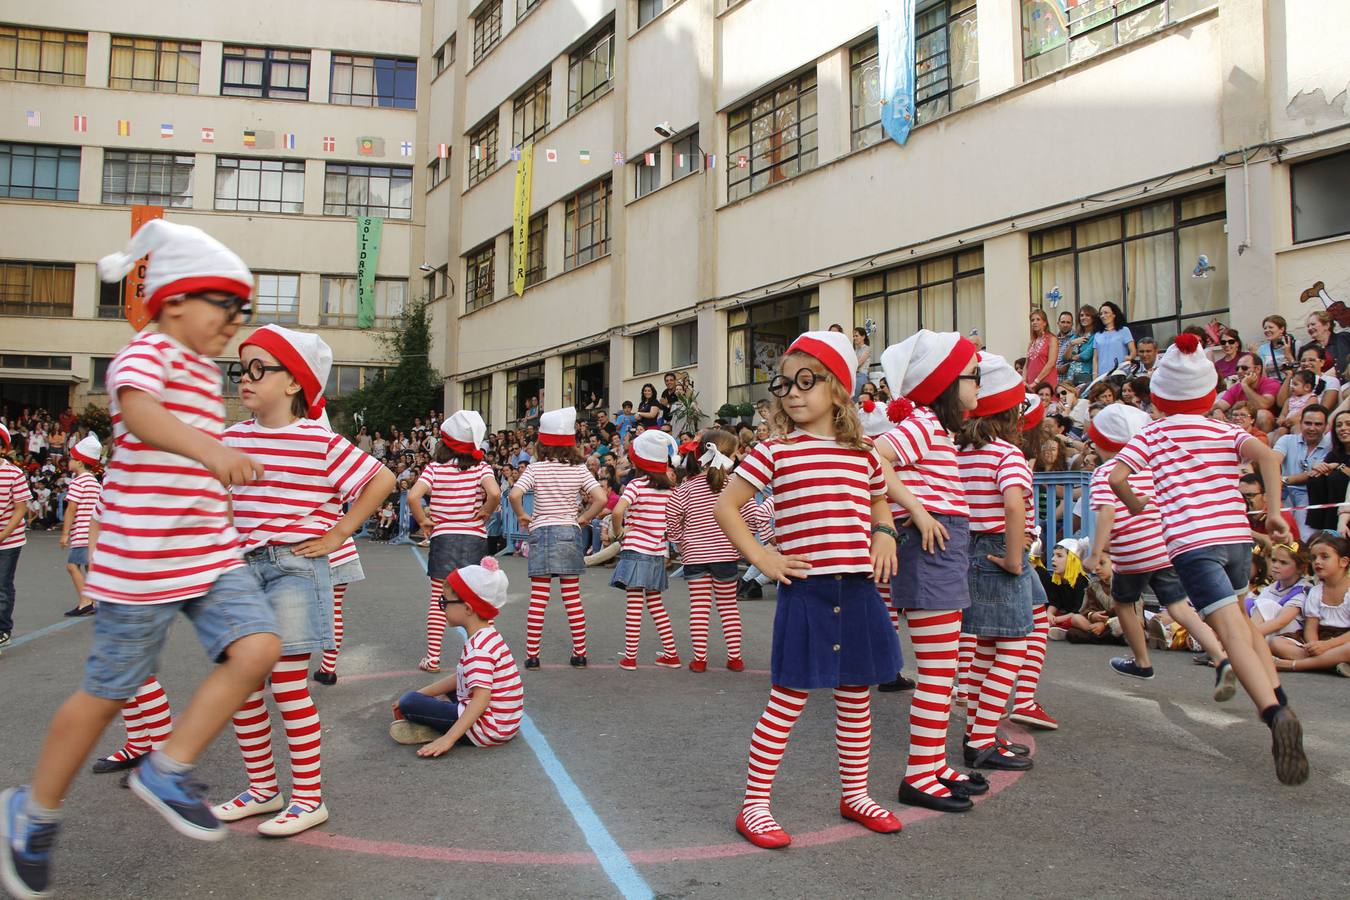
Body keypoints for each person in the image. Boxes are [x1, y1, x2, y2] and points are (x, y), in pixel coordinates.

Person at [1, 221, 285, 899]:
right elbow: (143, 415)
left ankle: (169, 766)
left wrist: (232, 475)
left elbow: (196, 461)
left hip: (211, 556)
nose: (235, 323)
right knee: (107, 696)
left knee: (259, 648)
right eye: (227, 306)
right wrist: (214, 452)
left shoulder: (201, 371)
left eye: (243, 310)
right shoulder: (146, 353)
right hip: (140, 561)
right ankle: (31, 815)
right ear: (176, 300)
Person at [714, 330, 903, 849]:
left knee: (856, 696)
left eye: (807, 381)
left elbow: (879, 501)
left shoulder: (863, 455)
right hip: (807, 591)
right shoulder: (774, 451)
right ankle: (754, 805)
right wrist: (761, 556)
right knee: (789, 699)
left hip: (859, 588)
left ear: (839, 389)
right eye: (785, 384)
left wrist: (884, 532)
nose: (793, 393)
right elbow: (727, 506)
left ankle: (856, 794)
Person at [213, 325, 393, 837]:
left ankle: (309, 797)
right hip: (241, 569)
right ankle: (263, 788)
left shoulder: (320, 439)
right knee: (243, 686)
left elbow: (380, 479)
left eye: (257, 369)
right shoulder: (232, 436)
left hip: (295, 566)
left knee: (287, 684)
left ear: (294, 383)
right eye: (239, 369)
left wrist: (339, 533)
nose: (243, 380)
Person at [1109, 332, 1309, 785]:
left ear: (1158, 394)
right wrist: (1274, 512)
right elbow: (1271, 458)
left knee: (1230, 631)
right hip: (1236, 538)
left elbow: (1120, 476)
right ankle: (1277, 691)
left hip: (1192, 545)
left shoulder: (1153, 434)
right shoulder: (1224, 429)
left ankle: (1274, 712)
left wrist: (1138, 505)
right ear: (1206, 392)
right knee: (1243, 618)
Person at [876, 329, 984, 812]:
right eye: (972, 376)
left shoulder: (931, 426)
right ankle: (921, 773)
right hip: (930, 541)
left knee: (944, 665)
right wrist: (918, 512)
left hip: (940, 541)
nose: (978, 386)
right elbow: (875, 457)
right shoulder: (923, 422)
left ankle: (933, 763)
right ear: (945, 383)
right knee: (939, 669)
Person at [1082, 404, 1231, 690]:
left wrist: (1097, 552)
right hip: (1163, 547)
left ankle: (1142, 662)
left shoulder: (1105, 473)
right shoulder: (1151, 468)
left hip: (1131, 553)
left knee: (1124, 603)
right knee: (1178, 606)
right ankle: (1220, 656)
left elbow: (1107, 512)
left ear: (1102, 443)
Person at [955, 354, 1038, 772]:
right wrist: (1013, 558)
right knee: (1013, 647)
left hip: (964, 550)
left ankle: (977, 729)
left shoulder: (959, 452)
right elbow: (1012, 504)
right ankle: (983, 738)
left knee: (985, 646)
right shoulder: (1006, 455)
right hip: (996, 550)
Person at [389, 557, 525, 750]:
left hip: (487, 730)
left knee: (410, 702)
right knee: (422, 696)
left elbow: (481, 699)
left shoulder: (479, 650)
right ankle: (441, 722)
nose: (442, 607)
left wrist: (448, 739)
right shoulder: (487, 636)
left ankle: (446, 731)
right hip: (504, 724)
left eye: (445, 602)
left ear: (468, 608)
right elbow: (461, 677)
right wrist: (422, 693)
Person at [508, 408, 607, 670]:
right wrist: (584, 518)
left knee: (539, 598)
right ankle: (580, 653)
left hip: (541, 530)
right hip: (568, 530)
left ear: (542, 442)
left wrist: (522, 516)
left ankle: (532, 655)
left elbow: (515, 495)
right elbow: (601, 498)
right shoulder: (578, 469)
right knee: (571, 596)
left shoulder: (536, 468)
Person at [408, 411, 500, 673]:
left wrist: (424, 521)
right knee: (477, 598)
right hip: (473, 538)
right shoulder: (481, 467)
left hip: (444, 538)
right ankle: (485, 657)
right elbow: (494, 492)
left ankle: (433, 658)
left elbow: (415, 497)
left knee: (439, 599)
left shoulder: (435, 468)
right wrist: (486, 509)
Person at [668, 430, 760, 673]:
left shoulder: (687, 486)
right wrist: (743, 539)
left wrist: (679, 541)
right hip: (725, 554)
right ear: (729, 455)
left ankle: (700, 659)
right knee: (728, 607)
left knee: (699, 607)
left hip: (695, 555)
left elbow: (672, 514)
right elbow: (753, 515)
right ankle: (735, 658)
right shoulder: (734, 485)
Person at [610, 430, 682, 670]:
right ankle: (671, 653)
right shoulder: (670, 489)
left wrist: (619, 533)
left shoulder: (636, 485)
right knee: (655, 603)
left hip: (635, 548)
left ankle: (630, 656)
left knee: (633, 604)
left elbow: (618, 511)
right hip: (656, 551)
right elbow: (674, 521)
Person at [1266, 534, 1350, 676]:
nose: (1317, 561)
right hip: (1321, 638)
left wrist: (1327, 646)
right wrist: (1314, 645)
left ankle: (1294, 665)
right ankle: (1331, 663)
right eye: (1314, 557)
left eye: (1325, 557)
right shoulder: (1316, 591)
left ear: (1343, 562)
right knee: (1276, 643)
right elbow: (1311, 626)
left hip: (1343, 640)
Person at [59, 433, 103, 617]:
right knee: (88, 566)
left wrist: (64, 534)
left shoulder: (77, 482)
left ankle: (86, 601)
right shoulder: (95, 482)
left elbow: (71, 509)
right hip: (93, 533)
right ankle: (93, 599)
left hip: (81, 532)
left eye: (72, 458)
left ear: (80, 462)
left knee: (72, 565)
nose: (69, 462)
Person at [1273, 405, 1330, 540]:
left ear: (1326, 426)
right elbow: (1273, 460)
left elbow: (1312, 474)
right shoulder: (1287, 440)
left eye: (1318, 424)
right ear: (1300, 423)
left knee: (1304, 537)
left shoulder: (1331, 446)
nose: (1312, 428)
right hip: (1285, 493)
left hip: (1311, 496)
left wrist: (1284, 480)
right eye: (1308, 423)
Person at [0, 422, 31, 648]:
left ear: (3, 449)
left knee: (2, 584)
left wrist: (2, 535)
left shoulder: (13, 473)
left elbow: (21, 508)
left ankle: (3, 629)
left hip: (8, 540)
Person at [1249, 541, 1311, 644]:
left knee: (1267, 605)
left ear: (1301, 568)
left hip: (1290, 636)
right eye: (1274, 560)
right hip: (1267, 632)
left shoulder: (1303, 589)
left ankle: (1243, 641)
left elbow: (1280, 622)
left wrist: (1244, 636)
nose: (1276, 566)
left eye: (1283, 562)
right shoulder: (1271, 587)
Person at [1213, 354, 1281, 430]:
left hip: (1262, 428)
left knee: (1263, 415)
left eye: (1244, 368)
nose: (1239, 371)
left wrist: (1245, 386)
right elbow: (1220, 405)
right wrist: (1217, 410)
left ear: (1257, 369)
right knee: (1213, 417)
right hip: (1240, 426)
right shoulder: (1237, 387)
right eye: (1237, 368)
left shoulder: (1270, 383)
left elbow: (1263, 405)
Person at [1303, 309, 1350, 375]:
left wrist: (1335, 370)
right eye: (1308, 326)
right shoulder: (1309, 348)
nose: (1309, 328)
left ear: (1327, 325)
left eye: (1313, 324)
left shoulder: (1343, 338)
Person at [1066, 305, 1100, 386]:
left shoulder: (1096, 335)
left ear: (1093, 318)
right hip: (1071, 375)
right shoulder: (1076, 336)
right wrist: (1071, 344)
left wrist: (1073, 357)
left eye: (1087, 315)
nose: (1083, 317)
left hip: (1085, 374)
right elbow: (1065, 358)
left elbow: (1087, 355)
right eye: (1081, 315)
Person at [1025, 309, 1059, 388]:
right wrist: (1023, 381)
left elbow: (1051, 363)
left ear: (1044, 323)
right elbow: (1026, 365)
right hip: (1031, 384)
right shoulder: (1032, 342)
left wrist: (1036, 381)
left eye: (1038, 319)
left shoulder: (1052, 339)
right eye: (1032, 320)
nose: (1034, 322)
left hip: (1045, 383)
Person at [1053, 310, 1076, 381]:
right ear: (1058, 323)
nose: (1065, 325)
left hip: (1067, 383)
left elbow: (1072, 363)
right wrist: (1056, 370)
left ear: (1072, 324)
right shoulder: (1054, 339)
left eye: (1068, 322)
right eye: (1063, 322)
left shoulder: (1076, 338)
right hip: (1053, 381)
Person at [852, 326, 872, 397]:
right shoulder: (855, 351)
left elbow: (858, 363)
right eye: (854, 336)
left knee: (857, 398)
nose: (854, 338)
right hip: (854, 376)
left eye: (856, 336)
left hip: (861, 376)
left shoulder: (867, 349)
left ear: (863, 336)